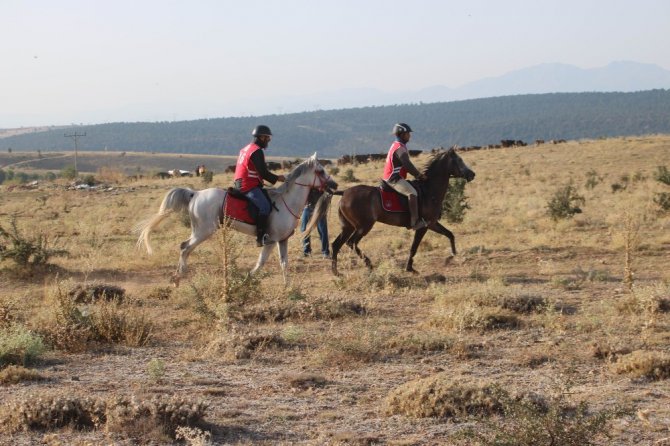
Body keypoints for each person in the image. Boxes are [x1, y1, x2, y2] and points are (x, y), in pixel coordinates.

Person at [233, 125, 286, 246]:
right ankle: (260, 237)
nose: (269, 140)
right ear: (261, 137)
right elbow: (263, 172)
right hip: (248, 185)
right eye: (268, 138)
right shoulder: (256, 151)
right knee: (265, 207)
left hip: (240, 183)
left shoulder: (245, 149)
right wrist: (278, 178)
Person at [382, 123, 427, 230]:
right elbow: (407, 165)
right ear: (402, 134)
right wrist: (419, 175)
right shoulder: (400, 148)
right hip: (393, 178)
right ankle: (414, 222)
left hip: (394, 176)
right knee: (412, 193)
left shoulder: (397, 145)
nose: (409, 136)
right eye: (407, 133)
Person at [300, 189, 330, 258]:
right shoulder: (308, 180)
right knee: (304, 229)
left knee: (322, 231)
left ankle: (325, 252)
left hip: (319, 208)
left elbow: (329, 191)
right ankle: (306, 251)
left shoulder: (322, 180)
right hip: (307, 207)